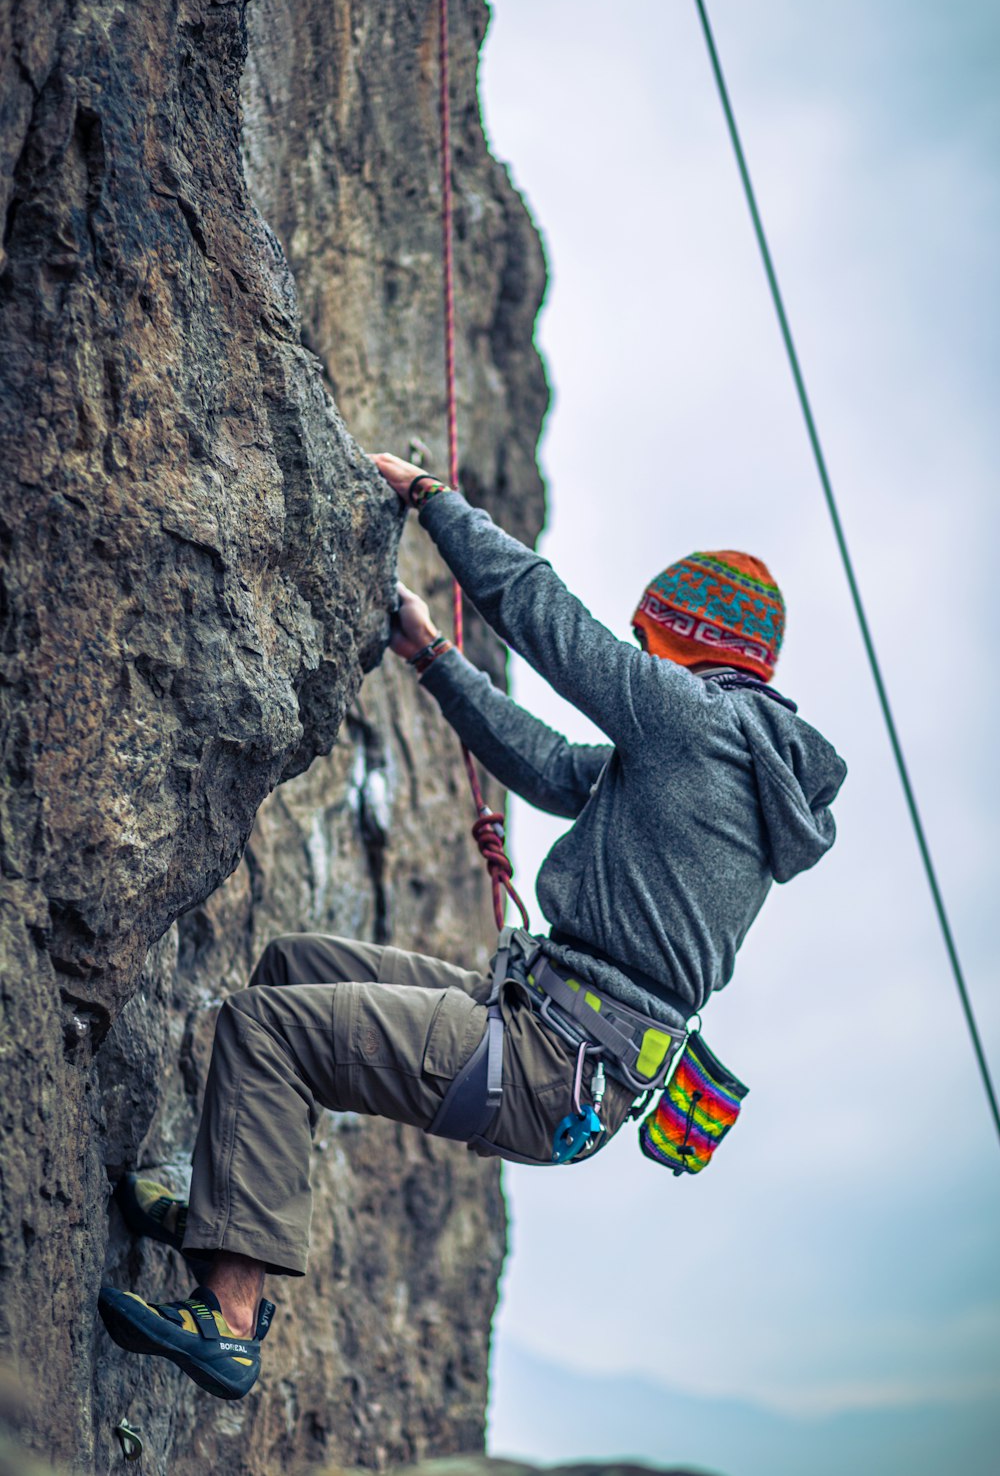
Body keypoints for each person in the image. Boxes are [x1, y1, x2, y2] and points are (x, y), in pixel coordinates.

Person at [99, 452, 846, 1399]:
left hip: (549, 1056)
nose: (634, 645)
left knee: (267, 1032)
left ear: (687, 641)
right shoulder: (726, 761)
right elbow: (547, 768)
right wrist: (431, 659)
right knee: (292, 968)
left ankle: (228, 1318)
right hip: (566, 1042)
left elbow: (548, 620)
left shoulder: (693, 721)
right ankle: (224, 1204)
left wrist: (430, 499)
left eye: (647, 635)